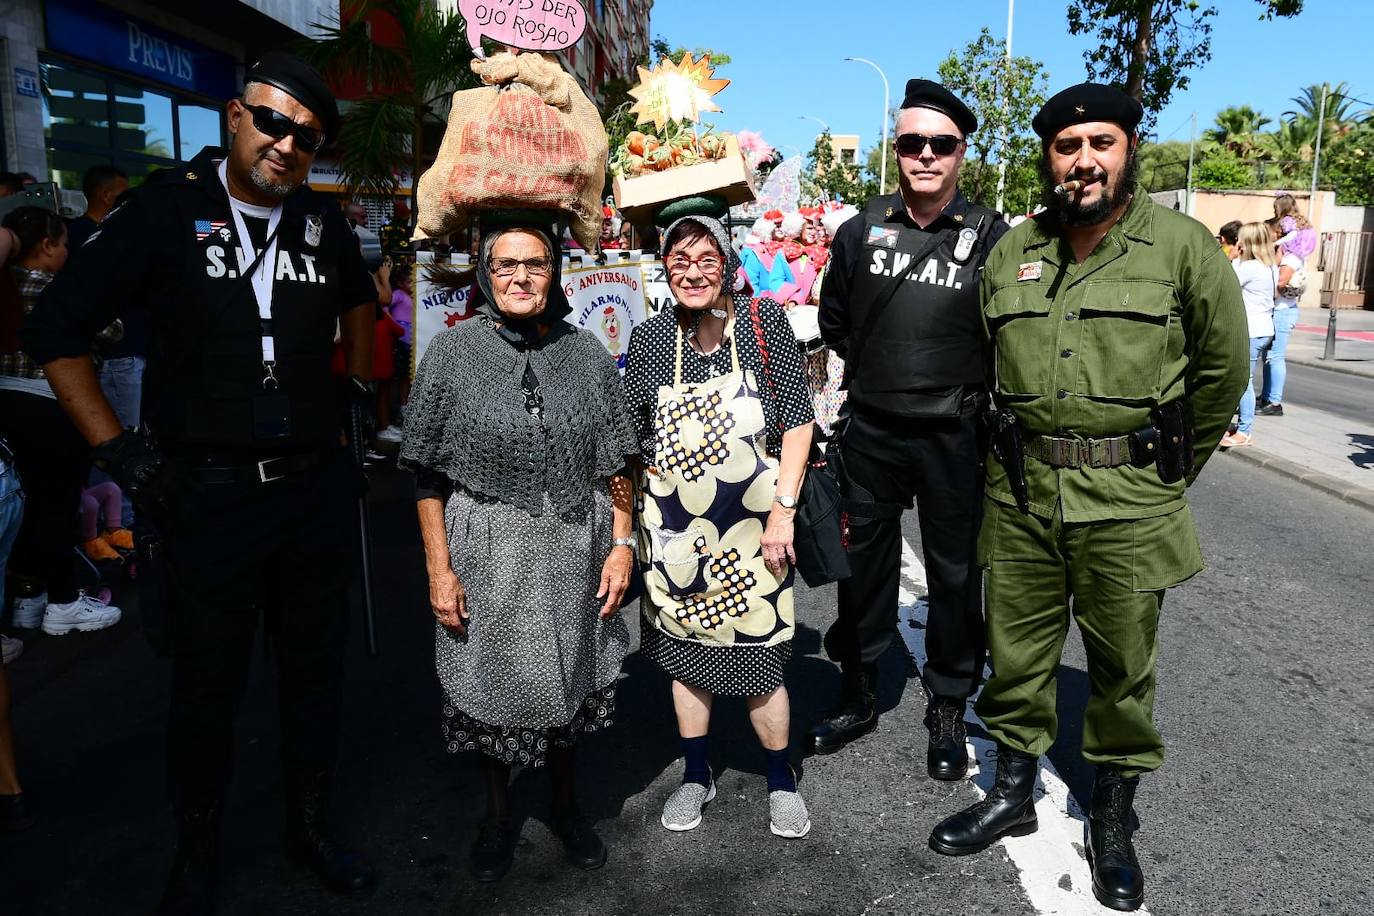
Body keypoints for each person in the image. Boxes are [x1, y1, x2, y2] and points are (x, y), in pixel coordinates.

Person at [23, 52, 379, 912]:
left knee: (314, 678)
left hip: (310, 493)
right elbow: (55, 330)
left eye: (307, 134)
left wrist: (354, 396)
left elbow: (361, 303)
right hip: (205, 496)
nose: (287, 144)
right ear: (233, 115)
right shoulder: (162, 213)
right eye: (272, 121)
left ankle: (311, 826)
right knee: (206, 692)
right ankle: (199, 846)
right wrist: (121, 456)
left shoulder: (324, 228)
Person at [926, 83, 1247, 913]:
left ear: (1128, 150)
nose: (1084, 160)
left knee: (1121, 673)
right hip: (1023, 497)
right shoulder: (1015, 251)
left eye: (1101, 143)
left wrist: (1168, 473)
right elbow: (986, 364)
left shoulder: (1182, 249)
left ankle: (1112, 818)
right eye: (1068, 147)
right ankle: (1011, 791)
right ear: (1050, 158)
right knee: (1019, 661)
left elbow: (1223, 376)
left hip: (1130, 503)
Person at [401, 217, 637, 881]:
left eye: (534, 264)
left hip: (573, 550)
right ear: (485, 273)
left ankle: (565, 808)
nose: (521, 277)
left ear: (554, 272)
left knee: (568, 680)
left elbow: (620, 458)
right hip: (489, 550)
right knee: (490, 681)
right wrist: (438, 571)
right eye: (505, 265)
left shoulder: (586, 352)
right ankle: (497, 815)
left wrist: (622, 544)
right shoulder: (452, 355)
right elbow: (425, 471)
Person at [813, 79, 1009, 776]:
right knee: (863, 567)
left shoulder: (992, 238)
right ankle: (858, 689)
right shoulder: (862, 228)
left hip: (955, 438)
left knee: (956, 576)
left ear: (962, 152)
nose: (925, 155)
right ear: (895, 151)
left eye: (941, 144)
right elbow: (834, 319)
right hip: (872, 432)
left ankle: (949, 703)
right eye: (911, 143)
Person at [623, 214, 815, 839]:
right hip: (676, 530)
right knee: (686, 661)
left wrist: (784, 512)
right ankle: (695, 775)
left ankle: (782, 781)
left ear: (729, 263)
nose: (692, 271)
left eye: (706, 257)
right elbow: (631, 438)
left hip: (755, 533)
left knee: (761, 664)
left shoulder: (763, 327)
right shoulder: (653, 339)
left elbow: (796, 425)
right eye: (678, 260)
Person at [0, 206, 123, 636]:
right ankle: (64, 602)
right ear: (48, 246)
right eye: (65, 244)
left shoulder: (5, 285)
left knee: (21, 509)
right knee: (57, 506)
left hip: (6, 407)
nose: (68, 252)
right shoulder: (61, 290)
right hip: (53, 406)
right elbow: (112, 331)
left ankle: (24, 602)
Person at [1221, 222, 1278, 449]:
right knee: (1242, 380)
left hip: (1252, 331)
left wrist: (1232, 256)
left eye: (1241, 240)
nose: (1238, 244)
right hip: (1262, 328)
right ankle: (1239, 426)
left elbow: (1223, 281)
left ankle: (1244, 431)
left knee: (1243, 382)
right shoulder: (1267, 266)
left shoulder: (1250, 267)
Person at [1258, 200, 1313, 417]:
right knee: (1269, 356)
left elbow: (1280, 282)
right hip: (1280, 310)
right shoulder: (1288, 254)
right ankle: (1267, 397)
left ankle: (1274, 401)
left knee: (1276, 356)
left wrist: (1264, 294)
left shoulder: (1291, 257)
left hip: (1283, 310)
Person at [67, 164, 130, 250]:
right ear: (106, 196)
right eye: (124, 196)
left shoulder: (75, 230)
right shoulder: (84, 233)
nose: (128, 200)